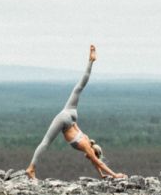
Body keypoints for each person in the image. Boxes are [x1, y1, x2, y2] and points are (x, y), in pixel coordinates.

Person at [25, 44, 125, 181]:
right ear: (94, 151)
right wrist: (115, 175)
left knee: (79, 87)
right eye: (93, 155)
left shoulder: (87, 141)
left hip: (70, 113)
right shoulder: (86, 146)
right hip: (65, 120)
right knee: (46, 142)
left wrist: (101, 175)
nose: (91, 157)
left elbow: (95, 161)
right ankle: (31, 168)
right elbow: (98, 161)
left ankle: (90, 61)